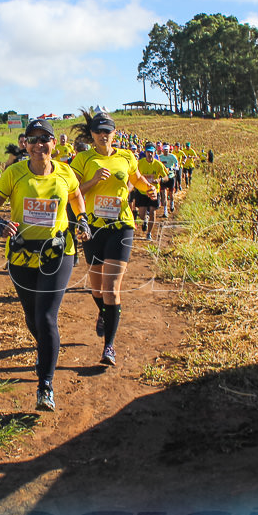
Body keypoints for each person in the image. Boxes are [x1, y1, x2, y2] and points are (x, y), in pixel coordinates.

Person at [0, 119, 88, 411]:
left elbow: (77, 197)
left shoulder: (66, 173)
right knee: (32, 318)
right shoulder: (14, 173)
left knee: (45, 318)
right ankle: (47, 349)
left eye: (45, 139)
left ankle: (45, 384)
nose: (39, 145)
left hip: (57, 253)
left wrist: (81, 218)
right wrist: (1, 223)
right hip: (21, 255)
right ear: (25, 144)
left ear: (55, 144)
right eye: (33, 139)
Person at [71, 109, 156, 366]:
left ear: (114, 133)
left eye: (107, 131)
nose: (102, 135)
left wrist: (148, 189)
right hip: (93, 228)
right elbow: (72, 191)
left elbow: (137, 179)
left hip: (121, 227)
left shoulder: (126, 156)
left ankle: (109, 346)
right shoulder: (83, 159)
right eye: (98, 131)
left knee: (111, 287)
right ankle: (105, 314)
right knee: (96, 288)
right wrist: (93, 181)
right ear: (93, 134)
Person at [136, 144, 168, 241]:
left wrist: (159, 180)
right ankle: (145, 219)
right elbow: (134, 175)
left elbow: (166, 177)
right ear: (145, 153)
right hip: (142, 192)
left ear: (154, 153)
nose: (150, 154)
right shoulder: (139, 163)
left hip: (154, 192)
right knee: (141, 214)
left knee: (153, 212)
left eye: (151, 152)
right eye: (148, 152)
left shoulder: (158, 164)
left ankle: (149, 233)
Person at [157, 144, 179, 216]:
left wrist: (174, 167)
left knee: (171, 193)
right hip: (163, 177)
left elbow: (176, 163)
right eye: (165, 150)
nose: (166, 151)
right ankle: (165, 210)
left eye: (167, 150)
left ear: (169, 150)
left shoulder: (172, 156)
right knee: (163, 194)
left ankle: (172, 204)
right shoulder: (160, 157)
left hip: (171, 176)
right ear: (162, 150)